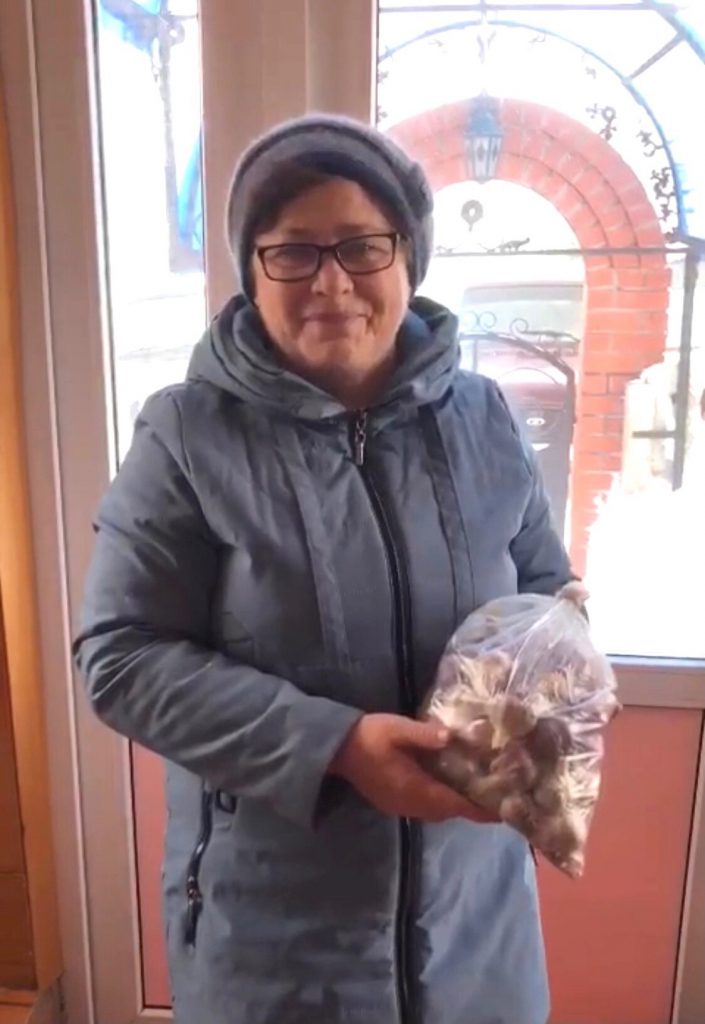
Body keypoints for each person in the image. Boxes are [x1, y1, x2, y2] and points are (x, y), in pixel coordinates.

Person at [75, 114, 573, 1024]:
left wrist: (536, 689)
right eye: (293, 251)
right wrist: (336, 746)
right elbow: (120, 657)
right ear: (251, 269)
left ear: (407, 258)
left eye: (361, 245)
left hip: (478, 932)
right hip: (276, 949)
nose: (331, 282)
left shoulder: (486, 419)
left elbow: (545, 592)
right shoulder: (186, 435)